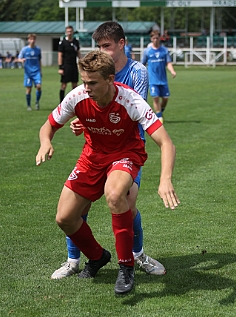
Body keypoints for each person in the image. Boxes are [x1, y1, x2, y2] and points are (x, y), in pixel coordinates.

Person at [36, 50, 179, 295]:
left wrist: (165, 179)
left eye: (93, 82)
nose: (87, 87)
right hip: (92, 157)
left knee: (114, 195)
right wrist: (45, 142)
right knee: (65, 218)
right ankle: (97, 256)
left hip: (125, 155)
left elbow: (166, 143)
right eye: (84, 81)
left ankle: (127, 267)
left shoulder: (131, 100)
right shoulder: (77, 96)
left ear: (111, 79)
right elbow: (48, 125)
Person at [51, 20, 167, 280]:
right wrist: (81, 120)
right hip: (98, 146)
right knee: (77, 207)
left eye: (107, 46)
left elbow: (133, 112)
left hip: (127, 147)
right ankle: (74, 260)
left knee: (125, 202)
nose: (102, 51)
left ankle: (136, 256)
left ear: (121, 44)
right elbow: (84, 105)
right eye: (98, 46)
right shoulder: (92, 75)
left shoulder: (137, 73)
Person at [141, 30, 177, 123]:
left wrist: (172, 71)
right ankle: (159, 117)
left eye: (157, 38)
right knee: (155, 98)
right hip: (152, 79)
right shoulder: (147, 51)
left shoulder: (164, 50)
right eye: (154, 38)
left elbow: (168, 62)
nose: (155, 40)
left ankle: (160, 111)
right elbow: (143, 64)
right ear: (151, 39)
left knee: (165, 99)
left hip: (163, 79)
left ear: (159, 38)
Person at [17, 33, 42, 111]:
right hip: (28, 73)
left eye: (34, 39)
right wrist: (21, 60)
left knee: (38, 86)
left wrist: (41, 71)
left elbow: (39, 60)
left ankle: (37, 102)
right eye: (31, 39)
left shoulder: (38, 49)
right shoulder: (24, 49)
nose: (32, 41)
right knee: (29, 89)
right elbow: (18, 58)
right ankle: (28, 105)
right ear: (28, 40)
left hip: (36, 72)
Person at [58, 25, 81, 103]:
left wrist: (82, 62)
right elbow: (60, 55)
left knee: (75, 85)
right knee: (64, 85)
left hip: (74, 66)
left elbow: (78, 53)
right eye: (68, 31)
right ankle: (61, 102)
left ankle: (74, 102)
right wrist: (60, 67)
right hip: (66, 66)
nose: (69, 33)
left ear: (73, 32)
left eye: (71, 31)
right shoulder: (63, 43)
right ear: (66, 32)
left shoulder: (75, 42)